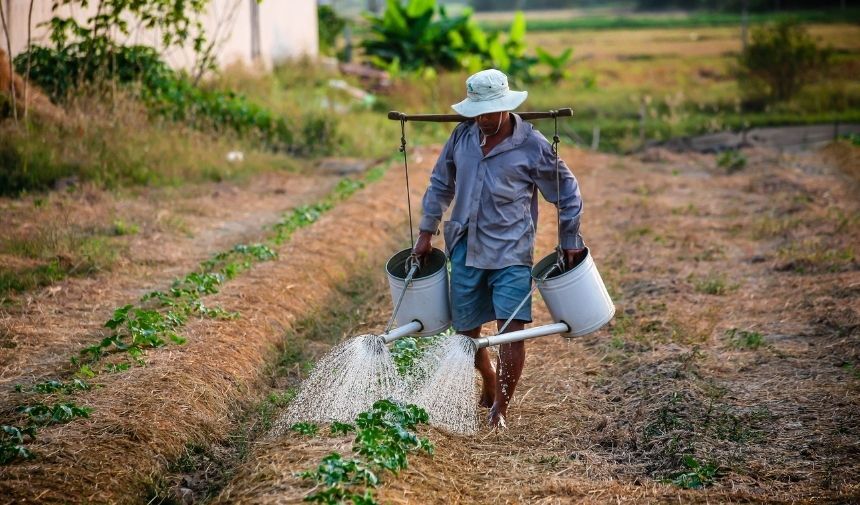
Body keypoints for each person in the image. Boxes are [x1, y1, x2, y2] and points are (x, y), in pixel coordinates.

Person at [412, 69, 586, 428]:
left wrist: (569, 239)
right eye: (477, 112)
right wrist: (426, 232)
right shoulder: (461, 137)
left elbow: (567, 191)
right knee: (466, 334)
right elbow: (440, 184)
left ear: (506, 107)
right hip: (465, 246)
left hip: (511, 251)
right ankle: (488, 378)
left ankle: (500, 410)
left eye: (490, 112)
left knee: (511, 329)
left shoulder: (532, 145)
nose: (483, 120)